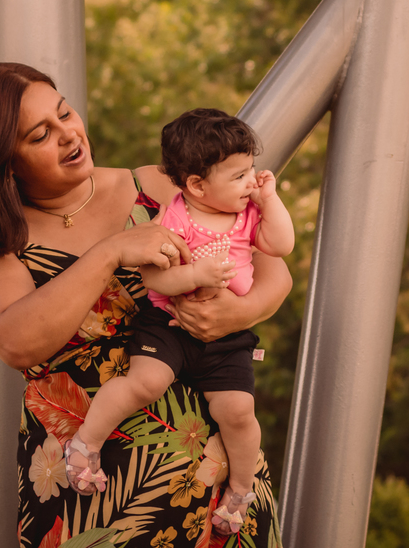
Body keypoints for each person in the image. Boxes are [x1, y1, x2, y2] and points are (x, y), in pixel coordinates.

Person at [0, 62, 290, 547]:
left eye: (65, 114)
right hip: (95, 502)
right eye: (40, 135)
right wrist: (110, 253)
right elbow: (18, 343)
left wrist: (238, 313)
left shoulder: (155, 186)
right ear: (4, 160)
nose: (68, 134)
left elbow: (274, 273)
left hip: (221, 492)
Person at [63, 109, 294, 536]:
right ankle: (85, 444)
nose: (252, 181)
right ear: (196, 185)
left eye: (253, 170)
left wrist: (270, 199)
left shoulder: (248, 214)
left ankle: (241, 490)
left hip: (228, 336)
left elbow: (282, 244)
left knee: (239, 410)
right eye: (240, 175)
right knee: (144, 383)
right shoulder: (177, 216)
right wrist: (194, 276)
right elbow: (152, 275)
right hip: (167, 323)